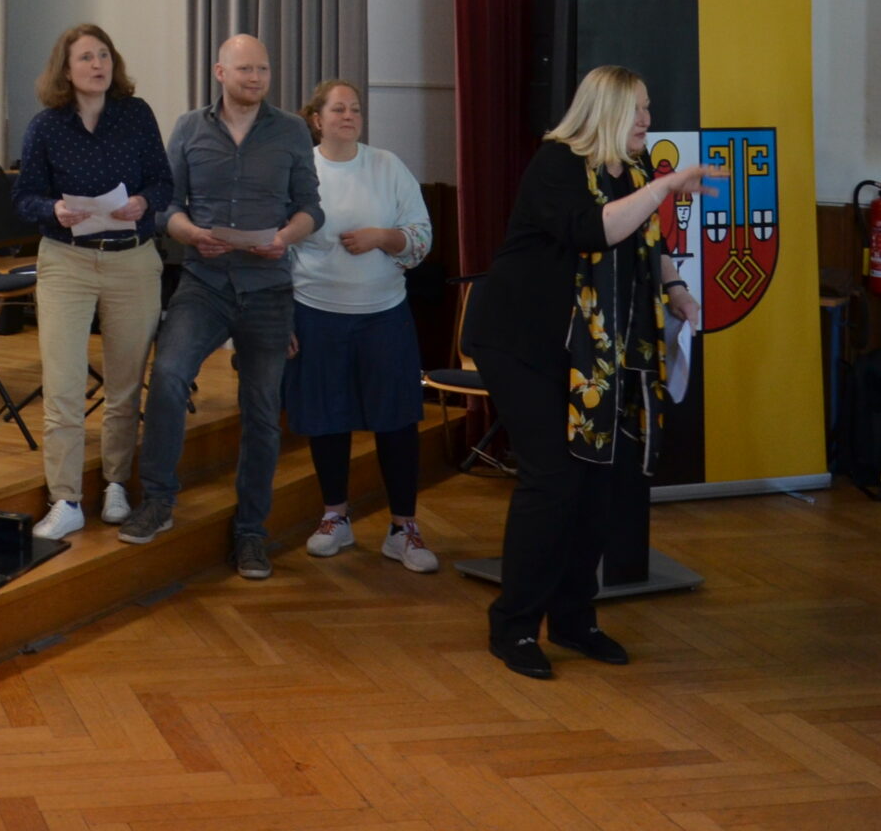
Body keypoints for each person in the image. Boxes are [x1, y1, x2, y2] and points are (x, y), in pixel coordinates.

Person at [458, 65, 716, 680]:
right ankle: (515, 626)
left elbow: (646, 244)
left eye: (648, 108)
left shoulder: (632, 171)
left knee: (597, 480)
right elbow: (594, 230)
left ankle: (575, 620)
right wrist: (665, 187)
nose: (648, 120)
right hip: (522, 343)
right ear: (607, 112)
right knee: (552, 479)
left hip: (590, 354)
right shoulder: (557, 163)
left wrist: (677, 290)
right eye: (638, 109)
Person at [115, 35, 321, 582]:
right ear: (220, 72)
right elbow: (166, 205)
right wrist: (191, 233)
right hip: (204, 283)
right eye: (245, 69)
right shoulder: (189, 127)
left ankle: (251, 532)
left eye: (263, 69)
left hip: (269, 288)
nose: (256, 78)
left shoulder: (291, 130)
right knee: (168, 376)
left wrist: (284, 237)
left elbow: (311, 208)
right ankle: (158, 500)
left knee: (261, 411)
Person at [11, 24, 173, 540]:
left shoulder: (136, 114)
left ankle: (116, 484)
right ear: (65, 68)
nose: (97, 65)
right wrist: (53, 209)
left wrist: (144, 201)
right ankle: (65, 499)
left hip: (132, 260)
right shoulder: (45, 126)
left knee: (125, 386)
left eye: (104, 55)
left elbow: (163, 181)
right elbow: (24, 198)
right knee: (63, 387)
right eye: (85, 57)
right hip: (68, 262)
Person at [288, 79, 437, 573]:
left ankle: (403, 528)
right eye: (338, 109)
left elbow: (421, 237)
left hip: (383, 314)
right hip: (315, 313)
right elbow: (280, 248)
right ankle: (335, 517)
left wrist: (383, 237)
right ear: (317, 120)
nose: (349, 116)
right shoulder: (299, 169)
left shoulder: (387, 166)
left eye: (355, 108)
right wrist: (282, 318)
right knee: (327, 418)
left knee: (396, 420)